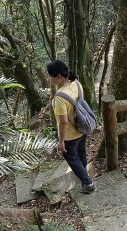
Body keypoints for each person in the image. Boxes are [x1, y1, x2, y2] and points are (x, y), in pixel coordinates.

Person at [47, 60, 96, 193]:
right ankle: (84, 173)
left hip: (69, 135)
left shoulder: (59, 98)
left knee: (72, 159)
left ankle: (88, 184)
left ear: (58, 77)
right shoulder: (76, 83)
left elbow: (63, 122)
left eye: (50, 76)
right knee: (81, 154)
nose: (49, 78)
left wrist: (61, 141)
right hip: (82, 127)